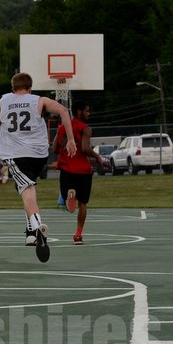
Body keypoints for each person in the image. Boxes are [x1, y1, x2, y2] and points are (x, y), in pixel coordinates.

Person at [0, 72, 76, 263]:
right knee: (27, 187)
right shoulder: (39, 100)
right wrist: (70, 139)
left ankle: (37, 227)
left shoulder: (4, 100)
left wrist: (6, 127)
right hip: (39, 155)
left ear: (13, 88)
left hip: (15, 154)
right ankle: (29, 234)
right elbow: (63, 111)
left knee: (26, 189)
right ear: (30, 88)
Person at [53, 101, 102, 245]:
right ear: (79, 112)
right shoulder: (85, 128)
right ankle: (78, 234)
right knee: (83, 204)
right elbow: (85, 148)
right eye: (87, 111)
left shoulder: (62, 128)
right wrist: (97, 156)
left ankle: (70, 194)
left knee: (66, 196)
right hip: (83, 171)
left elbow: (55, 149)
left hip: (66, 169)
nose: (88, 114)